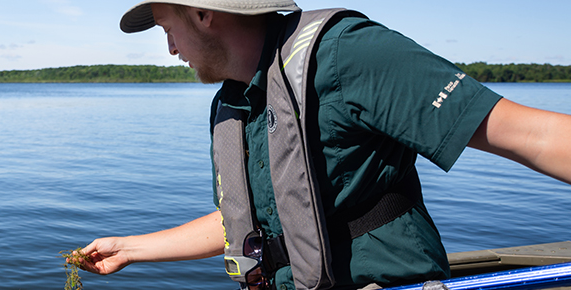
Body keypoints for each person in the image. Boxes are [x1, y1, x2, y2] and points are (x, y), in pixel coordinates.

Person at [71, 1, 571, 289]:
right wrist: (131, 248)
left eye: (167, 28)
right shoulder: (237, 100)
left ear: (203, 13)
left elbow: (534, 135)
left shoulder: (348, 54)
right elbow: (255, 223)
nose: (170, 49)